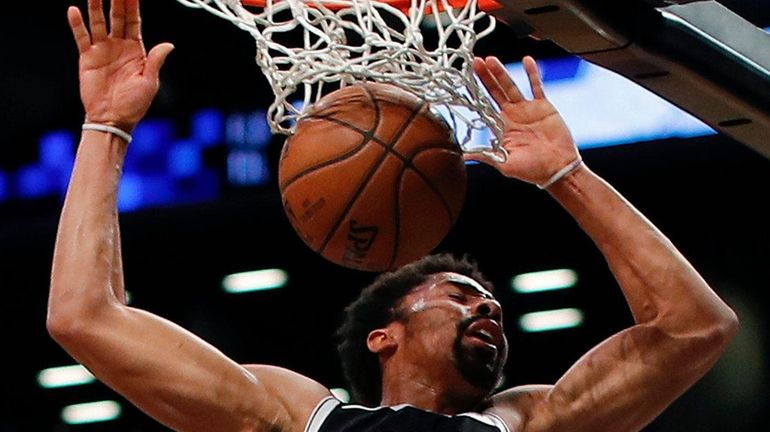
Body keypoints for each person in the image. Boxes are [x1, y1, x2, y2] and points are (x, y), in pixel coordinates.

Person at [47, 1, 739, 431]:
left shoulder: (530, 421)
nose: (491, 308)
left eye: (487, 299)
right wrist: (106, 128)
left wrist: (569, 176)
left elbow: (695, 327)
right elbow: (84, 317)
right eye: (463, 296)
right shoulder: (301, 417)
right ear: (384, 337)